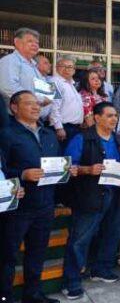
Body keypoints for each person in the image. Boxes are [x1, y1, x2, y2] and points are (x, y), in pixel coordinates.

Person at [0, 91, 76, 303]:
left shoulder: (48, 134)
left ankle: (32, 295)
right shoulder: (6, 134)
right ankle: (5, 297)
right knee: (7, 255)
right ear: (14, 107)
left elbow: (57, 163)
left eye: (37, 104)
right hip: (17, 206)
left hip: (45, 204)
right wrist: (22, 174)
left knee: (37, 252)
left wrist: (67, 170)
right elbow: (2, 170)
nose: (36, 107)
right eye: (29, 104)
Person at [62, 102, 120, 299]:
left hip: (115, 195)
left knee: (111, 234)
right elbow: (68, 168)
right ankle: (71, 282)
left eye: (115, 116)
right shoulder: (82, 138)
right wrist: (88, 169)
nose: (114, 119)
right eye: (109, 115)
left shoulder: (118, 138)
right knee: (80, 240)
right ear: (96, 117)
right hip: (90, 195)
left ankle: (101, 270)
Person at [0, 28, 52, 119]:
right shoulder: (9, 61)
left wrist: (48, 98)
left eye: (37, 43)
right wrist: (38, 100)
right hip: (15, 119)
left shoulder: (34, 65)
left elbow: (49, 94)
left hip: (37, 119)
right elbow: (8, 87)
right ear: (17, 42)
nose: (35, 45)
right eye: (30, 41)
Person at [51, 56, 84, 146]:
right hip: (63, 128)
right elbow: (53, 107)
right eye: (63, 66)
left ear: (74, 70)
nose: (66, 69)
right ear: (57, 67)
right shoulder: (53, 82)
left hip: (75, 128)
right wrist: (58, 128)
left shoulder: (71, 84)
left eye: (70, 67)